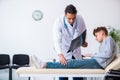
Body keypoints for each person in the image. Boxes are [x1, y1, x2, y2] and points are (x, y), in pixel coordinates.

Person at [32, 26, 117, 70]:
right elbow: (105, 54)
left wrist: (91, 54)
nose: (96, 38)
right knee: (71, 61)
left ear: (102, 33)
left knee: (72, 63)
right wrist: (90, 56)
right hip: (97, 62)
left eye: (96, 35)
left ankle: (45, 64)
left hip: (98, 64)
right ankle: (45, 64)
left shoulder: (108, 39)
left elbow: (108, 54)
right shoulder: (107, 41)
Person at [53, 4, 87, 80]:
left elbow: (83, 32)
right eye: (69, 18)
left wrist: (83, 42)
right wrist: (60, 55)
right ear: (65, 15)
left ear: (76, 15)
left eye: (73, 18)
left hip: (76, 50)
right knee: (63, 76)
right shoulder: (59, 22)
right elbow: (56, 40)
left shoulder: (80, 19)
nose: (71, 21)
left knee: (78, 77)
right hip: (64, 51)